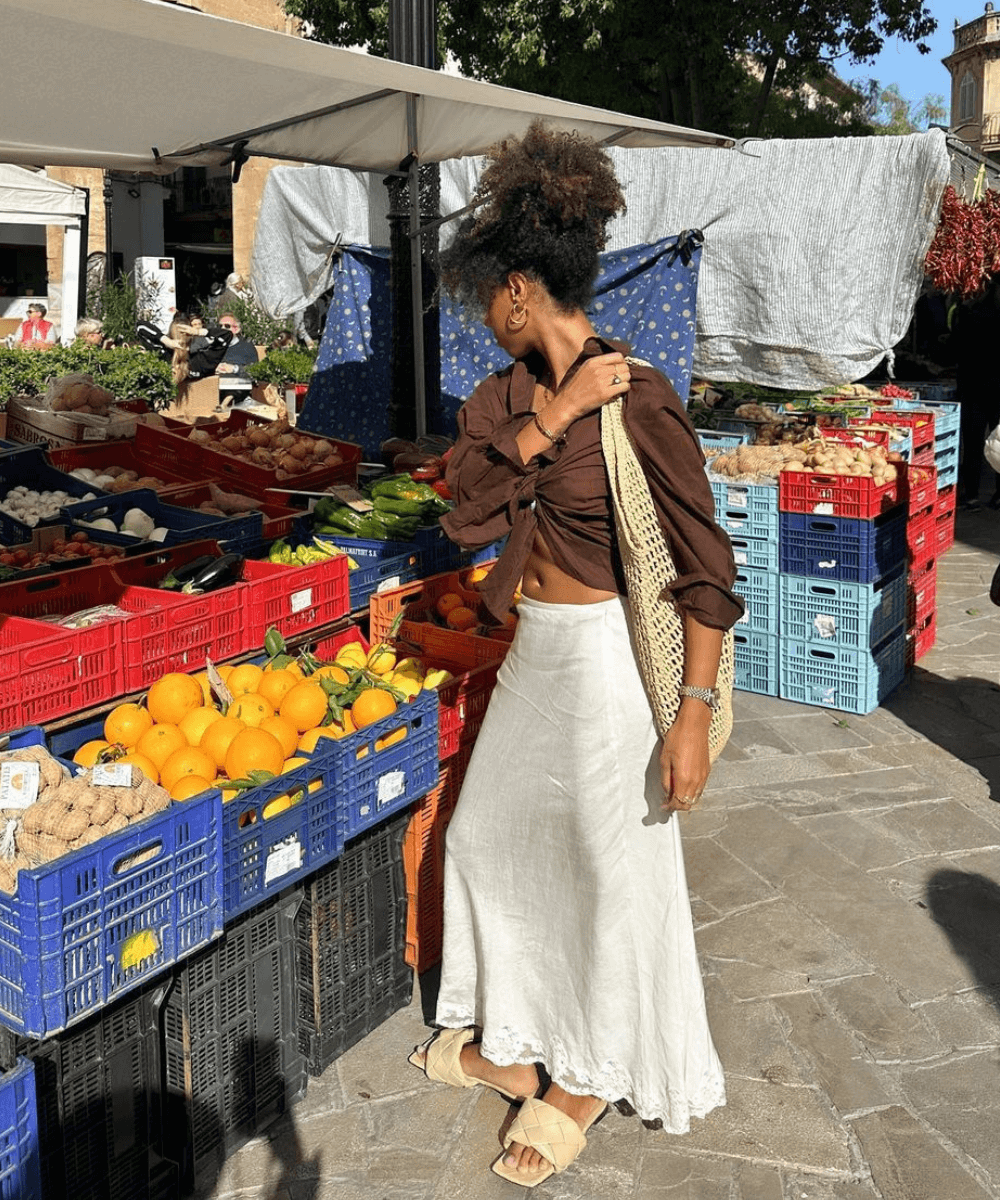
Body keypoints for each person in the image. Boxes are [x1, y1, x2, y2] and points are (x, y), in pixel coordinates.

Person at [408, 122, 743, 1188]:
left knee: (610, 868)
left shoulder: (641, 396)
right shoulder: (505, 401)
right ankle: (511, 1036)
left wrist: (689, 711)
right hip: (535, 654)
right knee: (485, 840)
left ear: (517, 288)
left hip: (607, 663)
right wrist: (552, 416)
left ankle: (588, 1075)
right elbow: (464, 513)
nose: (481, 321)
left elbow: (705, 565)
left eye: (482, 302)